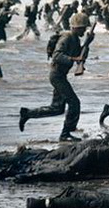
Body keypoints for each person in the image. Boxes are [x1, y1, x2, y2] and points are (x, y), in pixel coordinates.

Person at [19, 11, 92, 140]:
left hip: (61, 75)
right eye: (83, 28)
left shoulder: (75, 39)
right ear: (76, 27)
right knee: (74, 103)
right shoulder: (67, 37)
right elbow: (57, 55)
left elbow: (80, 56)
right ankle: (65, 134)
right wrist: (73, 59)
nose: (84, 30)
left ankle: (28, 113)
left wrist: (87, 43)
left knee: (57, 108)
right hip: (56, 76)